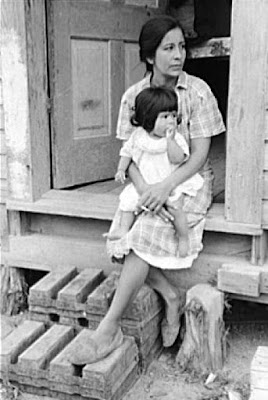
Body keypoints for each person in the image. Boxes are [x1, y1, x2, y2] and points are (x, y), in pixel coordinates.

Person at [69, 15, 225, 366]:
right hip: (146, 180)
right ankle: (169, 295)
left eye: (181, 47)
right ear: (151, 56)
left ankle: (108, 329)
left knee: (140, 238)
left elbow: (199, 154)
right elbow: (131, 156)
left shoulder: (197, 91)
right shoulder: (133, 97)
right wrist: (145, 191)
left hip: (188, 179)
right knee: (123, 232)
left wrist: (164, 187)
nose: (178, 55)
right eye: (168, 48)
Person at [108, 86, 204, 258]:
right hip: (146, 182)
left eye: (174, 115)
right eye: (165, 116)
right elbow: (127, 152)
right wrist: (121, 169)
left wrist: (170, 141)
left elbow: (178, 158)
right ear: (148, 118)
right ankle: (123, 229)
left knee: (176, 208)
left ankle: (183, 237)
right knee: (127, 203)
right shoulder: (138, 136)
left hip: (168, 181)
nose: (171, 121)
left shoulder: (175, 139)